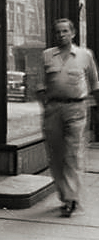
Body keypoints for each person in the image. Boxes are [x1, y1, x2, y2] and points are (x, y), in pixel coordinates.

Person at [36, 17, 99, 217]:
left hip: (76, 109)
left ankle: (71, 199)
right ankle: (65, 195)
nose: (61, 35)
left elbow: (95, 84)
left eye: (65, 31)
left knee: (72, 153)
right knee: (56, 156)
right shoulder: (47, 56)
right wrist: (45, 105)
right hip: (53, 110)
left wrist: (93, 108)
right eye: (58, 32)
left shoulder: (85, 55)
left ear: (73, 33)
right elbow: (39, 85)